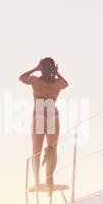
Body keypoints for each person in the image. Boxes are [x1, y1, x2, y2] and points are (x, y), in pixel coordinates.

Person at [18, 57, 69, 188]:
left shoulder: (35, 81)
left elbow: (21, 77)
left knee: (37, 149)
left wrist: (36, 68)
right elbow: (65, 84)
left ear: (42, 67)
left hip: (39, 112)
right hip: (52, 113)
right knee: (52, 149)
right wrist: (57, 73)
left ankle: (37, 179)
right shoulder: (57, 83)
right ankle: (49, 177)